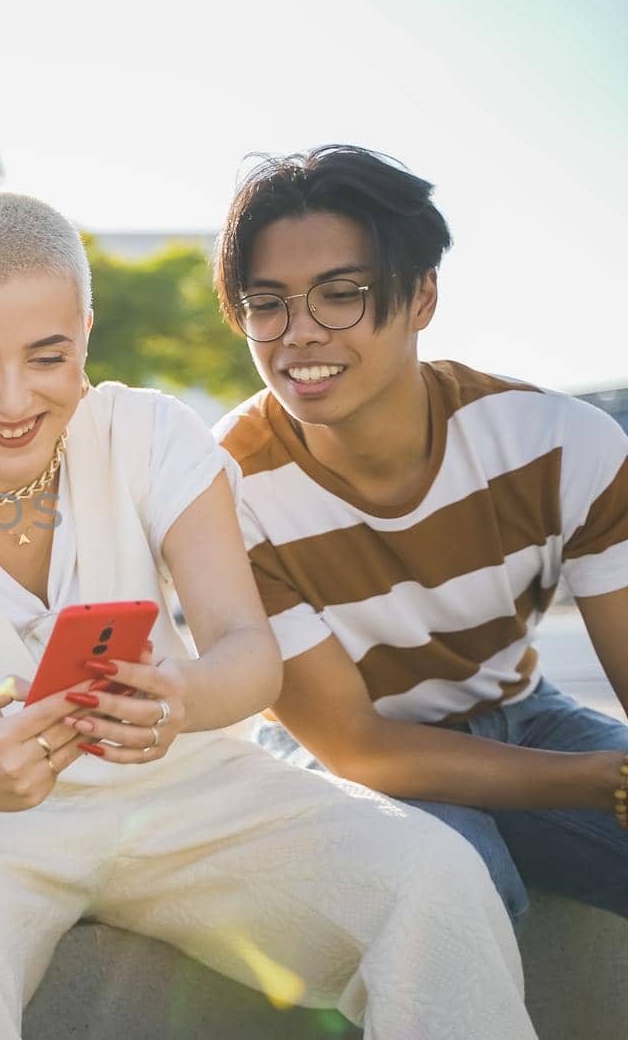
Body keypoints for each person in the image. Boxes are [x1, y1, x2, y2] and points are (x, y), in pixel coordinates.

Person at [0, 191, 534, 1039]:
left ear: (86, 328)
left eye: (47, 356)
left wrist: (179, 697)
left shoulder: (148, 430)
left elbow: (248, 652)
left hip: (182, 788)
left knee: (436, 874)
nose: (12, 397)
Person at [213, 145, 628, 927]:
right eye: (267, 304)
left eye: (341, 295)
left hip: (524, 712)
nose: (297, 334)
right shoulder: (225, 488)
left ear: (422, 296)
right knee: (455, 883)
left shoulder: (561, 445)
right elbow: (357, 747)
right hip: (339, 759)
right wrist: (595, 779)